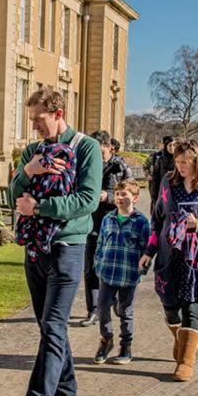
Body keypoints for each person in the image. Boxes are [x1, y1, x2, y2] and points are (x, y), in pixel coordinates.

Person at [8, 87, 101, 396]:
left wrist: (42, 208)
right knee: (51, 328)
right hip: (34, 248)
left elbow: (87, 200)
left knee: (52, 325)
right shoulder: (32, 152)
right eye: (31, 119)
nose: (34, 127)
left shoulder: (86, 147)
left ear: (58, 112)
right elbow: (11, 196)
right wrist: (27, 172)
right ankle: (67, 394)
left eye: (39, 119)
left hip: (67, 247)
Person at [140, 140, 198, 382]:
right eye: (177, 162)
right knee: (169, 305)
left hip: (197, 256)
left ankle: (186, 362)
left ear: (196, 161)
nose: (179, 167)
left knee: (191, 306)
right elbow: (158, 217)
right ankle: (181, 339)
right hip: (170, 253)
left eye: (184, 163)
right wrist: (149, 250)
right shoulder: (169, 181)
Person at [93, 179, 150, 365]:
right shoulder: (108, 219)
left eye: (124, 194)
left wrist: (142, 269)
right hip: (107, 272)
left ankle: (126, 345)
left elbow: (146, 249)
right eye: (117, 194)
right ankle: (106, 339)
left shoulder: (141, 222)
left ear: (134, 198)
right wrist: (98, 263)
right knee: (102, 308)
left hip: (129, 274)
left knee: (125, 311)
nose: (119, 198)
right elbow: (100, 243)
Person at [79, 130, 129, 327]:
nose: (96, 153)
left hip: (112, 224)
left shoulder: (120, 167)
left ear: (109, 147)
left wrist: (108, 196)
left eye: (100, 150)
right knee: (90, 268)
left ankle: (113, 299)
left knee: (110, 267)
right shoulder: (87, 164)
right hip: (90, 222)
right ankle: (93, 310)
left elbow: (130, 192)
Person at [145, 136, 174, 206]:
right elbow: (145, 166)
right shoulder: (156, 156)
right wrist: (148, 175)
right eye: (169, 145)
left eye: (174, 145)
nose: (172, 147)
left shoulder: (177, 158)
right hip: (159, 185)